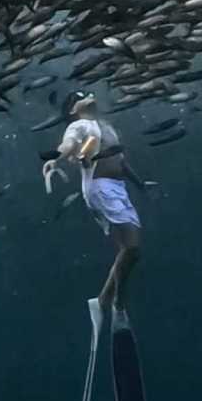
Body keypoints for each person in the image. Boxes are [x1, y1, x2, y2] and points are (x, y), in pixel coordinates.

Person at [42, 94, 156, 316]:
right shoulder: (79, 125)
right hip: (100, 187)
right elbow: (70, 144)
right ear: (73, 111)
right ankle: (117, 302)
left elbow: (121, 161)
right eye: (80, 97)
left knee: (131, 251)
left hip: (117, 188)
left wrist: (140, 185)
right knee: (131, 246)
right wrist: (55, 159)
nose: (88, 96)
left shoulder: (106, 127)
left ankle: (104, 300)